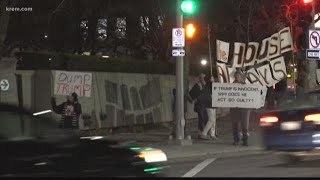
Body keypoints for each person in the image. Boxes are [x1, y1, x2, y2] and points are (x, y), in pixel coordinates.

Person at [230, 71, 249, 146]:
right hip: (234, 108)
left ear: (241, 77)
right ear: (235, 77)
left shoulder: (245, 85)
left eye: (239, 76)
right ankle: (236, 140)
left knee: (244, 125)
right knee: (235, 125)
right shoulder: (231, 86)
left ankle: (245, 140)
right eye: (236, 76)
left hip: (244, 109)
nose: (238, 77)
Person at [189, 73, 208, 139]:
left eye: (204, 78)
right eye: (202, 78)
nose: (203, 80)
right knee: (201, 118)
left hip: (204, 104)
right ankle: (200, 133)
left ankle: (203, 132)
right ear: (200, 79)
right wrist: (194, 99)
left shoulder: (204, 86)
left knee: (205, 118)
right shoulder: (196, 86)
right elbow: (191, 93)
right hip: (199, 105)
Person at [200, 76, 218, 140]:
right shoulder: (207, 86)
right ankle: (204, 133)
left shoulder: (214, 85)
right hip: (209, 105)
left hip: (214, 104)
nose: (212, 79)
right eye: (211, 78)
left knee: (214, 120)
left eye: (213, 78)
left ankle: (212, 134)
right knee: (211, 119)